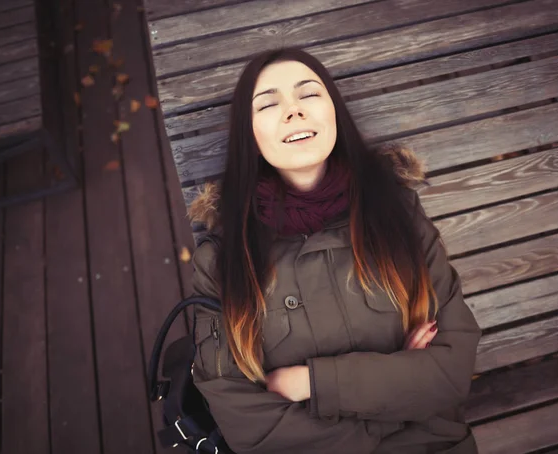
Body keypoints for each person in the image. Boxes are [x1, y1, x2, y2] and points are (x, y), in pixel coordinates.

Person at [187, 47, 482, 454]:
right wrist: (401, 403)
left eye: (309, 94)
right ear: (249, 136)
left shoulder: (399, 214)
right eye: (269, 104)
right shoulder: (221, 261)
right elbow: (249, 428)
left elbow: (450, 372)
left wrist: (309, 383)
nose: (294, 111)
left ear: (335, 114)